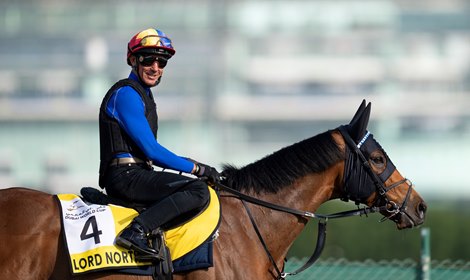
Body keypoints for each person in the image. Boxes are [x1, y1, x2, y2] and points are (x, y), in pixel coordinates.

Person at [98, 28, 221, 259]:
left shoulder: (144, 95)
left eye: (162, 61)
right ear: (133, 60)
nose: (155, 67)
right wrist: (198, 169)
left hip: (135, 174)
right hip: (126, 177)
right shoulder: (126, 94)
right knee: (197, 190)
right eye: (149, 59)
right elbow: (152, 151)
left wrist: (194, 166)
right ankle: (136, 232)